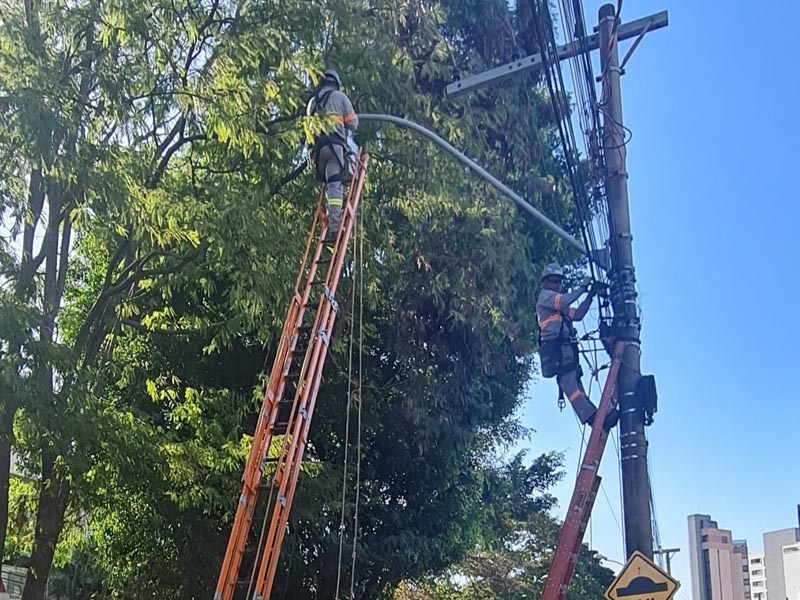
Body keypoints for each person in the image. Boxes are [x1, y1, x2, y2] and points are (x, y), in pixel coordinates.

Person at [536, 263, 619, 430]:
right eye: (554, 281)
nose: (558, 285)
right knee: (571, 387)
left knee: (575, 385)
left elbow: (578, 315)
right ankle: (592, 418)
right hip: (557, 350)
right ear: (545, 282)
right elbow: (565, 300)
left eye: (559, 282)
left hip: (567, 349)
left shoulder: (558, 306)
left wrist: (590, 296)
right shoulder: (545, 297)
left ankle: (597, 417)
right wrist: (583, 286)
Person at [305, 68, 359, 243]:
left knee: (330, 186)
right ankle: (334, 228)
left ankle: (329, 218)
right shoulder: (340, 97)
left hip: (318, 154)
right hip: (334, 149)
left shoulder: (312, 103)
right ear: (335, 84)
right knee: (335, 188)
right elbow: (353, 123)